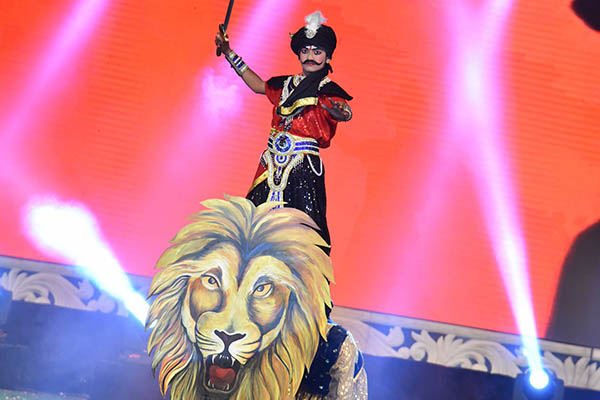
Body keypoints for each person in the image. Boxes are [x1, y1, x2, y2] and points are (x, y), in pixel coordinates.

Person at [215, 11, 353, 255]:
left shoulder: (329, 92)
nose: (310, 56)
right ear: (299, 54)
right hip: (271, 162)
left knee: (303, 228)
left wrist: (340, 111)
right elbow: (258, 85)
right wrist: (229, 53)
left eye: (317, 52)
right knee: (254, 218)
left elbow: (344, 112)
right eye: (306, 51)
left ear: (328, 57)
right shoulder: (284, 85)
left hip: (302, 167)